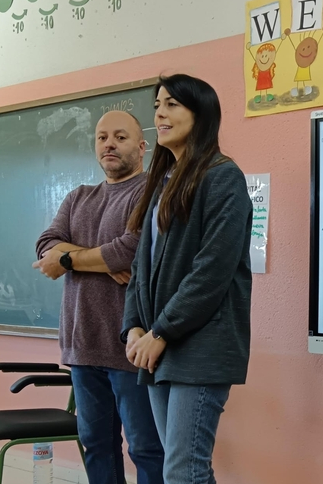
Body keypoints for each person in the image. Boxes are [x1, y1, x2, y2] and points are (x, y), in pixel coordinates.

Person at [121, 74, 253, 484]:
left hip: (198, 342)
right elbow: (141, 267)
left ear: (201, 114)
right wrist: (134, 326)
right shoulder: (164, 182)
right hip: (158, 343)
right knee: (183, 470)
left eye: (172, 104)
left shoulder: (223, 177)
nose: (159, 114)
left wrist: (161, 330)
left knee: (183, 471)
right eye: (157, 105)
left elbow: (212, 270)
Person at [34, 110, 165, 484]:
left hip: (133, 346)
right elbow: (45, 246)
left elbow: (130, 249)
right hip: (82, 345)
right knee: (96, 445)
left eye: (121, 137)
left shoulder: (152, 192)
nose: (109, 144)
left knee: (146, 449)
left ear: (142, 147)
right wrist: (104, 264)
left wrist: (69, 258)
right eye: (102, 137)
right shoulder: (78, 197)